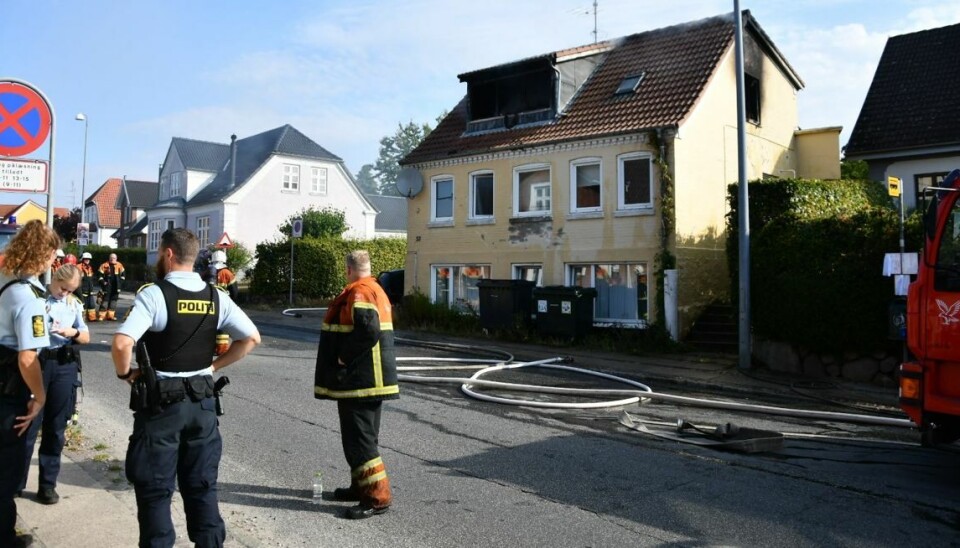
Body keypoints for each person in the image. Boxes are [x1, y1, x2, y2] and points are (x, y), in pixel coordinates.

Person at [112, 228, 260, 547]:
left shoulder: (155, 294)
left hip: (162, 406)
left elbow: (123, 342)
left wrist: (126, 375)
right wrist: (212, 367)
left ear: (168, 254)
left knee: (155, 490)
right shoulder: (215, 296)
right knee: (202, 487)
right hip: (203, 403)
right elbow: (251, 339)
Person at [314, 250, 399, 519]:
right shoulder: (376, 289)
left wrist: (342, 356)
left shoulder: (359, 292)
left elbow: (368, 329)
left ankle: (377, 498)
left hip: (359, 382)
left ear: (348, 269)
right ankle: (359, 487)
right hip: (373, 382)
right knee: (363, 438)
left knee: (360, 442)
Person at [0, 220, 61, 548]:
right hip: (10, 393)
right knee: (6, 474)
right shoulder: (28, 298)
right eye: (53, 253)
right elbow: (27, 359)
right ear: (44, 253)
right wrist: (39, 396)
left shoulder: (3, 281)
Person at [19, 264, 89, 505]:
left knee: (55, 428)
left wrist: (72, 332)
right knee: (28, 425)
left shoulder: (74, 304)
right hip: (38, 363)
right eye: (62, 288)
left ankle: (47, 486)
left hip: (63, 365)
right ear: (54, 279)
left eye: (70, 290)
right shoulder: (39, 299)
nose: (65, 293)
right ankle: (16, 483)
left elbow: (86, 336)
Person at [97, 253, 125, 321]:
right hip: (107, 286)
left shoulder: (119, 265)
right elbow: (99, 276)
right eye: (111, 258)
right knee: (105, 301)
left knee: (113, 301)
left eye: (114, 258)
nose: (112, 259)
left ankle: (111, 316)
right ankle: (101, 316)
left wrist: (119, 284)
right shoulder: (104, 265)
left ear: (116, 259)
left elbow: (123, 276)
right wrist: (103, 282)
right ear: (109, 258)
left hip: (116, 287)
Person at [78, 252, 99, 322]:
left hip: (90, 289)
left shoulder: (89, 267)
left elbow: (90, 278)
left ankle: (92, 318)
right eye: (86, 259)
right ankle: (82, 319)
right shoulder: (79, 267)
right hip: (82, 289)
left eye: (88, 259)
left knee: (91, 305)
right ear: (82, 259)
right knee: (83, 304)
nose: (87, 260)